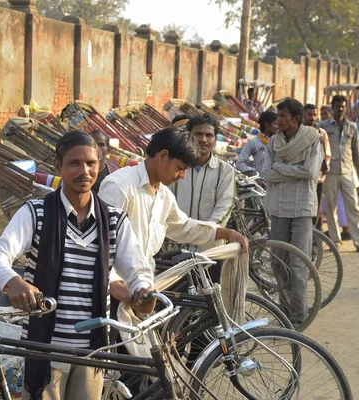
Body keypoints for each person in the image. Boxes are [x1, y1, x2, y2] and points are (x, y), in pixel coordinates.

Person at [0, 131, 154, 400]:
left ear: (99, 166)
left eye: (91, 163)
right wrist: (14, 282)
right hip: (45, 348)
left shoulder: (113, 220)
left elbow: (137, 269)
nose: (84, 171)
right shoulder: (36, 212)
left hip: (93, 351)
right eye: (74, 163)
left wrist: (142, 289)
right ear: (58, 167)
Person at [99, 126, 249, 302]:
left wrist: (225, 233)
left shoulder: (163, 194)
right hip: (114, 292)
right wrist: (117, 286)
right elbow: (99, 247)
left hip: (143, 288)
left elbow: (184, 227)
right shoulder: (120, 187)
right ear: (162, 156)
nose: (183, 176)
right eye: (180, 168)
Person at [263, 98, 324, 325]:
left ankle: (297, 318)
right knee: (278, 263)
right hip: (278, 207)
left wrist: (280, 168)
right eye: (277, 116)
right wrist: (291, 170)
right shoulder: (273, 143)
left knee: (298, 264)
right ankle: (285, 314)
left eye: (282, 116)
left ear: (295, 119)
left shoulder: (313, 140)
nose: (278, 120)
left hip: (302, 208)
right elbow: (267, 173)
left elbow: (309, 172)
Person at [170, 114, 236, 278]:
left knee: (209, 300)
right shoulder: (175, 167)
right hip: (174, 247)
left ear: (215, 139)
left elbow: (224, 208)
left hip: (211, 250)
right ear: (189, 136)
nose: (203, 139)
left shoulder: (225, 171)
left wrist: (205, 233)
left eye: (209, 135)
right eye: (198, 134)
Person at [321, 95, 359, 253]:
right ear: (332, 106)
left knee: (353, 207)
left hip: (348, 172)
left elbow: (356, 151)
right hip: (330, 172)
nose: (340, 108)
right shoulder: (323, 126)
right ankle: (335, 241)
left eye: (343, 106)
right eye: (337, 105)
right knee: (331, 207)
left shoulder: (352, 127)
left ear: (346, 107)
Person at [303, 104, 331, 231]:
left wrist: (324, 170)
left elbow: (327, 154)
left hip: (318, 178)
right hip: (303, 177)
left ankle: (314, 237)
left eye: (315, 115)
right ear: (304, 115)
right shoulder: (299, 132)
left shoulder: (321, 133)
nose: (313, 118)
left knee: (316, 209)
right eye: (310, 115)